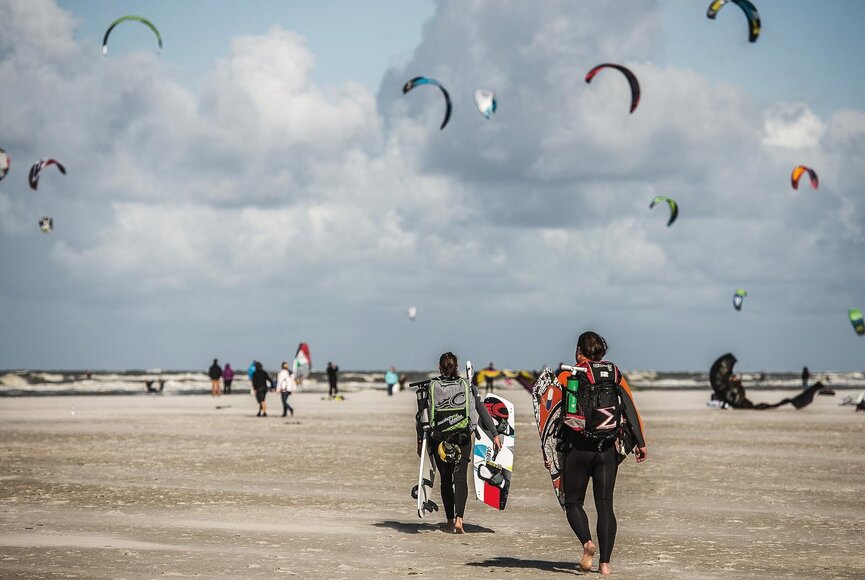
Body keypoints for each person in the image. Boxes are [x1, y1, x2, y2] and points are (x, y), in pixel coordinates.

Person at [553, 331, 647, 576]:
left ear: (578, 351)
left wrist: (551, 452)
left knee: (573, 502)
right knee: (605, 505)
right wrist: (640, 442)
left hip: (579, 449)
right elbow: (628, 407)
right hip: (606, 451)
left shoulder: (568, 375)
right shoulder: (614, 374)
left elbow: (553, 418)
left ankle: (587, 543)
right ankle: (605, 565)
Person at [416, 352, 501, 534]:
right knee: (460, 478)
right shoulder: (467, 385)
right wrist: (494, 434)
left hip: (439, 439)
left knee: (446, 480)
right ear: (456, 367)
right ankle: (459, 520)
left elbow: (421, 417)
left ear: (439, 367)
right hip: (462, 437)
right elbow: (481, 410)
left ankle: (448, 520)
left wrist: (420, 442)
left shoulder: (432, 386)